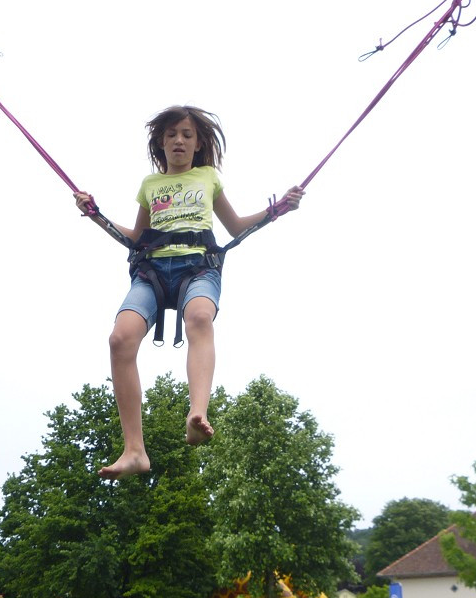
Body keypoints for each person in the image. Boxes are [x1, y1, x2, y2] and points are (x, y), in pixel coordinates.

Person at [74, 105, 304, 479]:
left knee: (199, 317)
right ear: (160, 143)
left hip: (197, 268)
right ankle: (134, 450)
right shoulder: (150, 185)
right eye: (171, 135)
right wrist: (96, 214)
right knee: (120, 339)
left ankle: (197, 413)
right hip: (151, 272)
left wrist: (277, 210)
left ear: (198, 144)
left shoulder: (208, 177)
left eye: (186, 134)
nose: (178, 140)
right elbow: (133, 239)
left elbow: (235, 226)